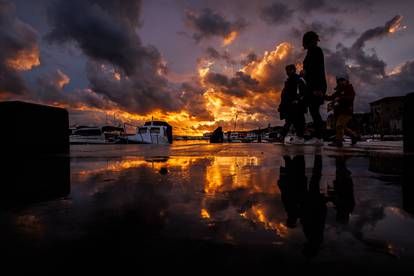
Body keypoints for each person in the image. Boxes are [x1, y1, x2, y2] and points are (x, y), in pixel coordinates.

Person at [302, 31, 327, 145]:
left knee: (314, 111)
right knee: (313, 111)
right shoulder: (312, 51)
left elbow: (317, 70)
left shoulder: (316, 51)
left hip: (316, 86)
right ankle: (318, 136)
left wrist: (318, 89)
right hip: (313, 86)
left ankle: (319, 137)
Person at [325, 75, 360, 147]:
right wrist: (323, 95)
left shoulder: (349, 88)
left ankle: (339, 141)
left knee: (339, 125)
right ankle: (354, 136)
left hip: (346, 112)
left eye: (342, 80)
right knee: (342, 127)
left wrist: (340, 98)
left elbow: (351, 98)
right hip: (339, 113)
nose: (340, 82)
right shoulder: (338, 91)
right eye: (339, 81)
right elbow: (331, 97)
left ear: (346, 81)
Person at [278, 64, 307, 144]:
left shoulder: (298, 79)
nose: (287, 72)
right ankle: (284, 137)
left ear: (293, 70)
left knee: (297, 122)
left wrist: (298, 100)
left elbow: (303, 92)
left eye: (289, 70)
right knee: (290, 121)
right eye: (286, 71)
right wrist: (281, 105)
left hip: (296, 106)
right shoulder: (288, 81)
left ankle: (298, 137)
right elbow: (285, 95)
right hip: (289, 106)